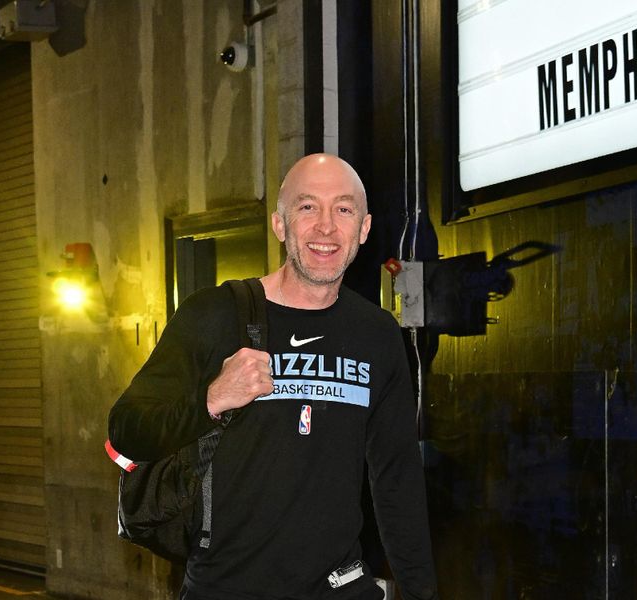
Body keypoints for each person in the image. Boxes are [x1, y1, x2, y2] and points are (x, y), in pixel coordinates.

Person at [108, 154, 439, 600]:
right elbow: (126, 430)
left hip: (337, 589)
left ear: (363, 228)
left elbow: (397, 480)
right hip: (225, 588)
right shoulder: (214, 314)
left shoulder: (377, 334)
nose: (325, 227)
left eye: (343, 209)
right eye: (307, 207)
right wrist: (211, 399)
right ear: (280, 225)